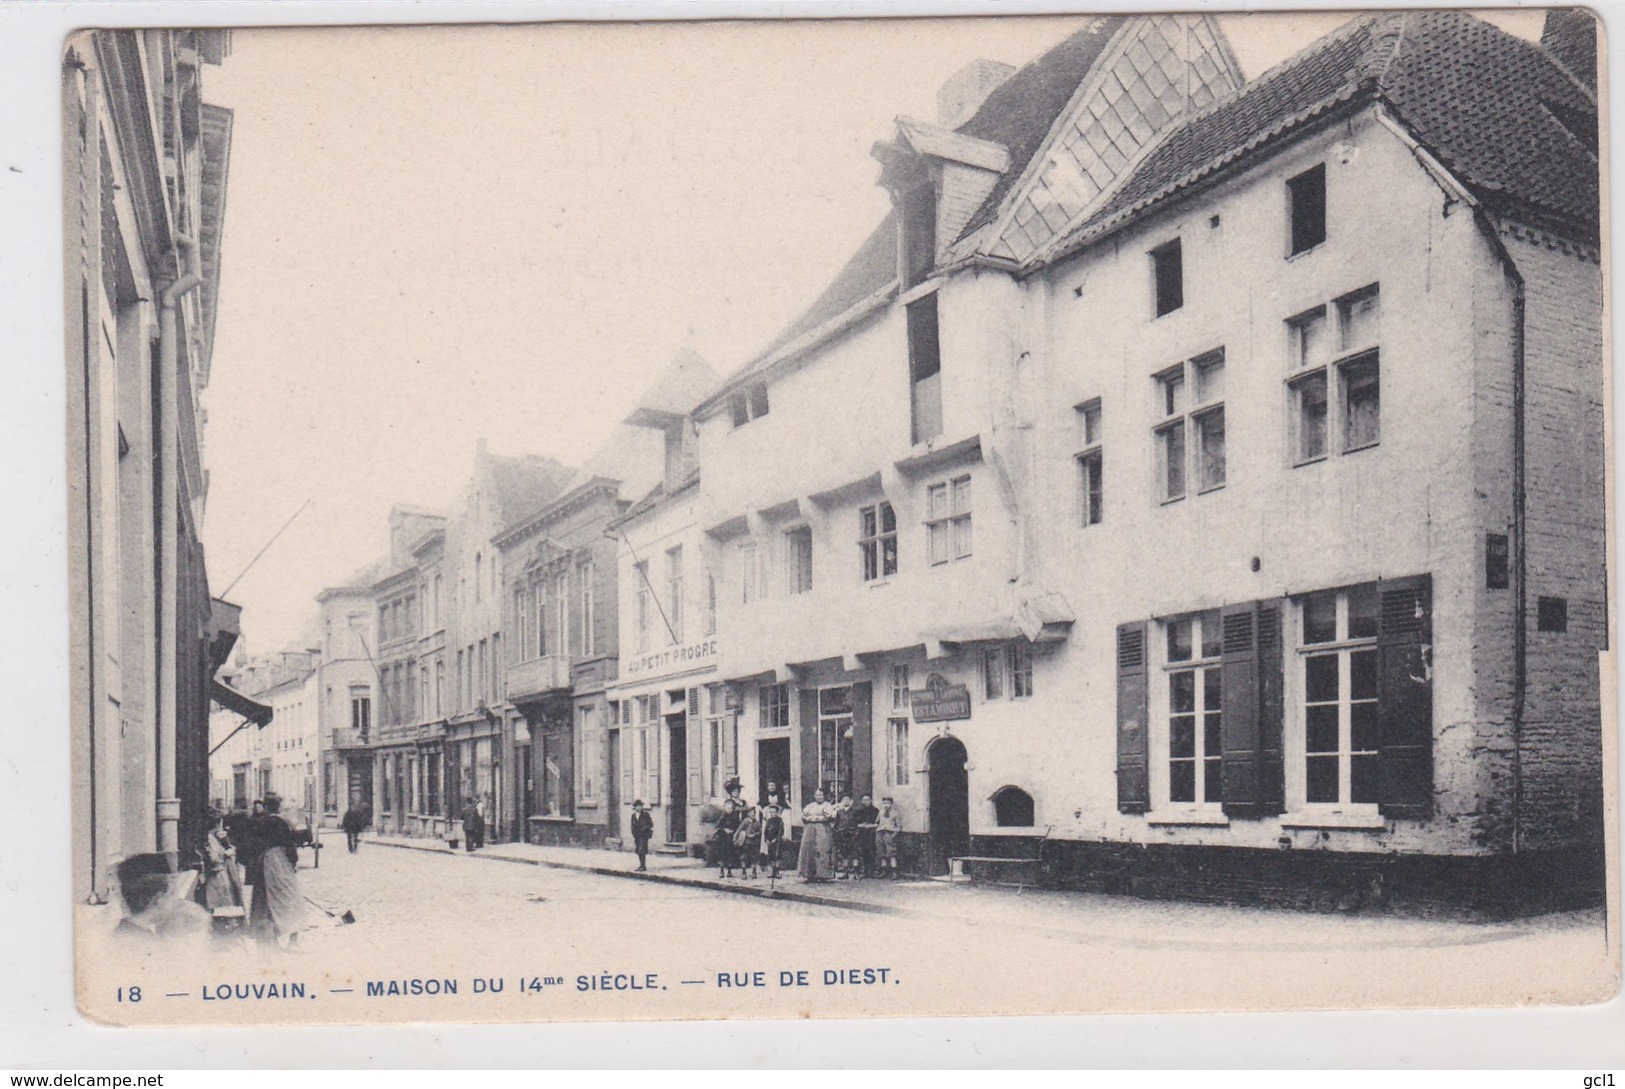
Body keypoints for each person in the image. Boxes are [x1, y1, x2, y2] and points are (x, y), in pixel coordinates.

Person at [112, 853, 211, 952]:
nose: (177, 903)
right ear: (160, 899)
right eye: (173, 896)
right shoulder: (143, 945)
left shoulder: (130, 932)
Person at [247, 794, 307, 948]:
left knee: (265, 897)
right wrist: (293, 862)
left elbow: (254, 843)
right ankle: (292, 939)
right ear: (278, 806)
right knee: (289, 897)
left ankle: (270, 936)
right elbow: (290, 844)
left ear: (266, 807)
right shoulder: (283, 822)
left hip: (266, 860)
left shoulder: (262, 822)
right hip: (281, 860)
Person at [200, 806, 245, 914]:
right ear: (217, 824)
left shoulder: (214, 837)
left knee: (225, 896)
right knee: (222, 898)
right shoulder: (210, 838)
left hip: (223, 871)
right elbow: (214, 858)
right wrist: (225, 854)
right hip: (218, 874)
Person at [796, 788, 836, 882]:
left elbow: (828, 817)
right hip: (809, 831)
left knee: (821, 850)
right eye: (817, 795)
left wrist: (813, 818)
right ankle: (809, 875)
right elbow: (803, 816)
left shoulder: (827, 805)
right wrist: (814, 818)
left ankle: (823, 875)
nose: (819, 797)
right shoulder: (810, 806)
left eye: (821, 795)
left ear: (824, 796)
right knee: (809, 851)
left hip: (822, 830)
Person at [851, 792, 880, 878]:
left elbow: (878, 822)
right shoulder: (859, 811)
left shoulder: (875, 811)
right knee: (863, 852)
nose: (866, 802)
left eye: (867, 800)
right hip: (862, 834)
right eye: (864, 800)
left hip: (872, 833)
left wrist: (870, 825)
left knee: (872, 851)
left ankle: (871, 871)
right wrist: (862, 825)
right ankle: (864, 871)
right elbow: (855, 823)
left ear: (871, 800)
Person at [713, 797, 742, 878]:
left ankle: (729, 871)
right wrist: (724, 830)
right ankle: (721, 871)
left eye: (731, 808)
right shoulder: (723, 817)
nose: (729, 810)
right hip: (723, 838)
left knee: (730, 854)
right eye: (727, 808)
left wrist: (734, 831)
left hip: (731, 838)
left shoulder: (735, 817)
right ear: (725, 808)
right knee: (722, 854)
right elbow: (717, 827)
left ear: (733, 809)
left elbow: (738, 827)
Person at [833, 793, 859, 879]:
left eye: (848, 799)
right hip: (842, 835)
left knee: (855, 854)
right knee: (844, 854)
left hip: (852, 834)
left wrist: (856, 832)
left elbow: (857, 823)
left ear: (851, 801)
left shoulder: (854, 812)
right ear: (841, 802)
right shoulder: (839, 812)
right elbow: (836, 824)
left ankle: (855, 873)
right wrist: (837, 833)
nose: (846, 801)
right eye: (844, 800)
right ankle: (846, 872)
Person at [875, 796, 901, 878]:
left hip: (889, 833)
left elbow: (898, 826)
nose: (886, 805)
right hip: (880, 833)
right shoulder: (880, 812)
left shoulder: (895, 813)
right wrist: (877, 829)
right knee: (881, 852)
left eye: (888, 803)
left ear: (891, 804)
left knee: (891, 852)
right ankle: (884, 871)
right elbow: (877, 822)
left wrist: (894, 834)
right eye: (884, 803)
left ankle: (894, 872)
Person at [734, 804, 761, 880]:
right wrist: (735, 839)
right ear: (748, 814)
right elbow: (738, 831)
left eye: (754, 813)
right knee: (744, 857)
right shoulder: (745, 822)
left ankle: (754, 872)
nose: (753, 814)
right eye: (752, 812)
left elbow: (760, 832)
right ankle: (744, 872)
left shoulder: (757, 822)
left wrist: (755, 834)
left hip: (754, 843)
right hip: (745, 843)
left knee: (754, 857)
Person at [760, 804, 785, 880]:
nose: (772, 814)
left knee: (777, 856)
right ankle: (770, 872)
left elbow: (781, 832)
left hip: (777, 842)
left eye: (774, 812)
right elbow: (765, 831)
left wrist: (776, 839)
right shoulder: (769, 821)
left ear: (777, 812)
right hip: (769, 841)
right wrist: (767, 839)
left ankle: (776, 872)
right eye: (771, 812)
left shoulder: (780, 821)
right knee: (770, 856)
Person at [630, 800, 654, 871]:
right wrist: (633, 832)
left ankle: (643, 866)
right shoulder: (633, 816)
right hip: (637, 835)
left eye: (640, 806)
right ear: (635, 807)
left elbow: (651, 824)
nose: (639, 807)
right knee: (638, 850)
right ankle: (641, 865)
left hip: (643, 835)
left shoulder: (646, 815)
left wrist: (644, 828)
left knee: (642, 850)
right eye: (637, 806)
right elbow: (632, 825)